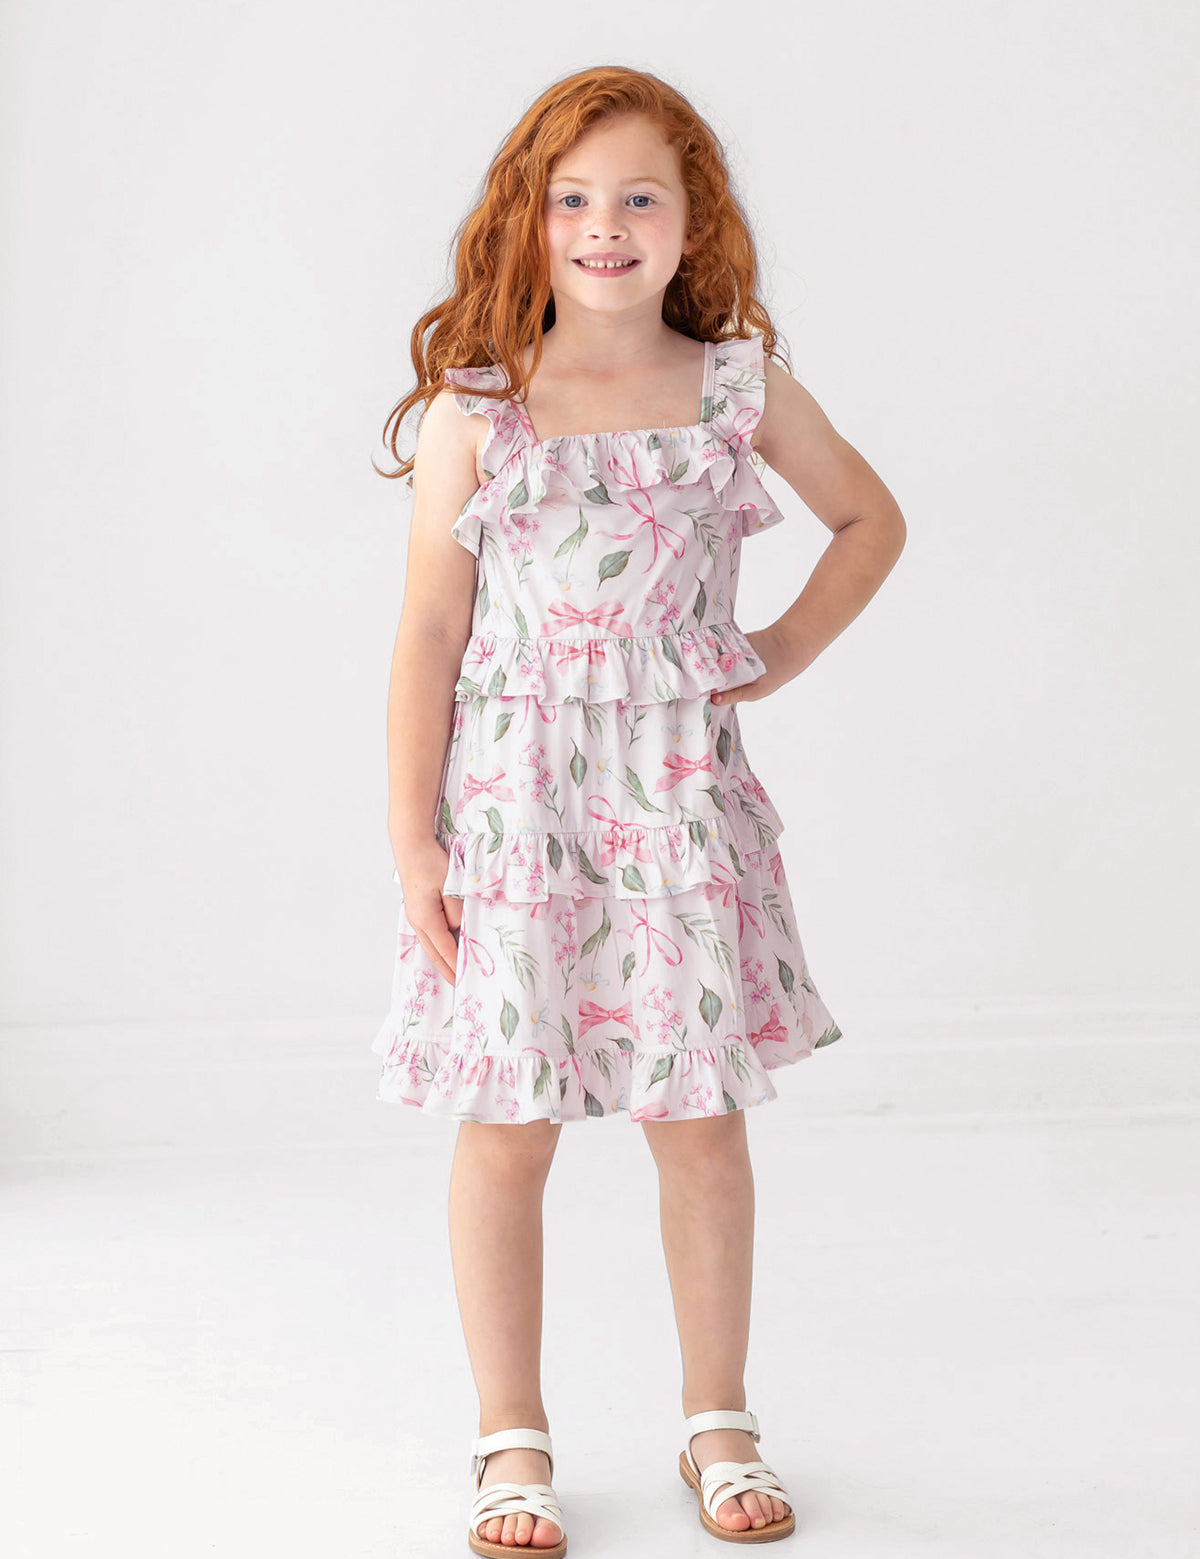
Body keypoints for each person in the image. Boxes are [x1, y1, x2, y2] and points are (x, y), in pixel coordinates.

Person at [372, 65, 906, 1555]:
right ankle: (512, 1435)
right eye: (573, 199)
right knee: (507, 1122)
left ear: (693, 219)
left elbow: (872, 520)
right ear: (527, 220)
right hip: (514, 811)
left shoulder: (734, 391)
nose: (606, 226)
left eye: (640, 197)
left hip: (676, 809)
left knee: (699, 1118)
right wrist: (413, 841)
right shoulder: (480, 409)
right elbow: (429, 630)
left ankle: (717, 1420)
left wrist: (775, 652)